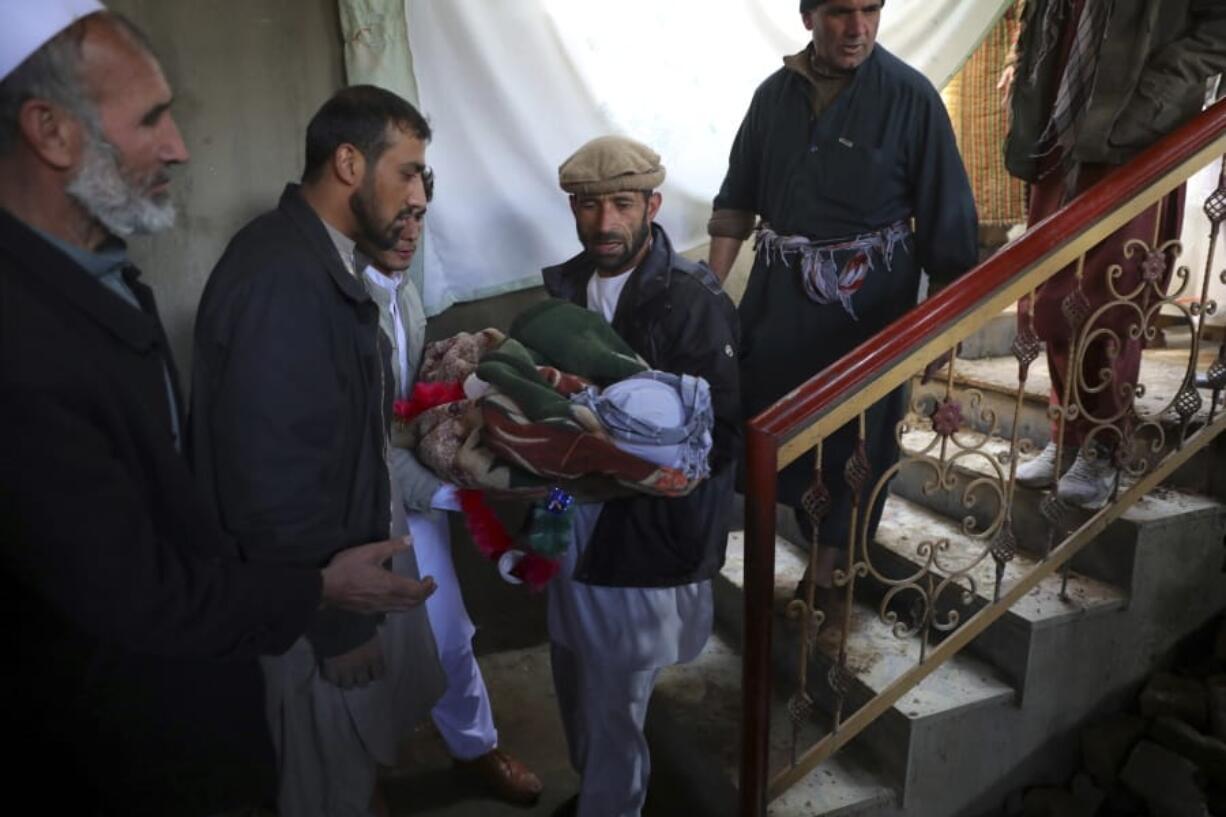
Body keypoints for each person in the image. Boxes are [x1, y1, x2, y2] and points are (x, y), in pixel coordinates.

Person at [0, 6, 435, 816]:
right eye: (151, 119)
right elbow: (255, 489)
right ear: (50, 131)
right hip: (149, 727)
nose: (178, 145)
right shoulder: (275, 280)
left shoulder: (110, 276)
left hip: (224, 655)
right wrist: (327, 611)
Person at [189, 86, 447, 816]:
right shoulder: (283, 277)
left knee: (351, 771)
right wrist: (335, 623)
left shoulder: (311, 259)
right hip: (312, 612)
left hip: (319, 592)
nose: (418, 194)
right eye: (407, 171)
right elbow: (271, 479)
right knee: (325, 782)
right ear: (347, 163)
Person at [708, 0, 977, 615]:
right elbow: (736, 200)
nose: (856, 28)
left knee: (857, 441)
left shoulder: (911, 98)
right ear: (807, 17)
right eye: (837, 12)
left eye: (869, 9)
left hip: (868, 312)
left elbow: (949, 226)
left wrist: (942, 331)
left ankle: (827, 576)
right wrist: (704, 290)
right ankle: (757, 566)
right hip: (777, 305)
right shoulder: (772, 98)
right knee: (762, 427)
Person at [542, 135, 740, 817]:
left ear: (652, 204)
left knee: (618, 700)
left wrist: (625, 451)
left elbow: (720, 437)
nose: (604, 224)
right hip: (571, 519)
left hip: (644, 534)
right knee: (572, 670)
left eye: (622, 204)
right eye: (588, 206)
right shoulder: (564, 289)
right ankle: (593, 792)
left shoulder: (692, 301)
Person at [361, 166, 544, 805]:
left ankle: (475, 748)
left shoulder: (400, 289)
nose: (409, 231)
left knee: (447, 631)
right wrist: (453, 490)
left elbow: (408, 405)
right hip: (363, 499)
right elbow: (362, 438)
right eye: (396, 216)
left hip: (414, 483)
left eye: (418, 216)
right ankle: (365, 775)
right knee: (362, 644)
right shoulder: (340, 297)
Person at [1005, 0, 1226, 508]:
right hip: (1059, 131)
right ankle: (1067, 434)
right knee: (1049, 297)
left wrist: (1163, 85)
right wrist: (1025, 68)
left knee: (1111, 295)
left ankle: (1103, 447)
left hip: (1134, 138)